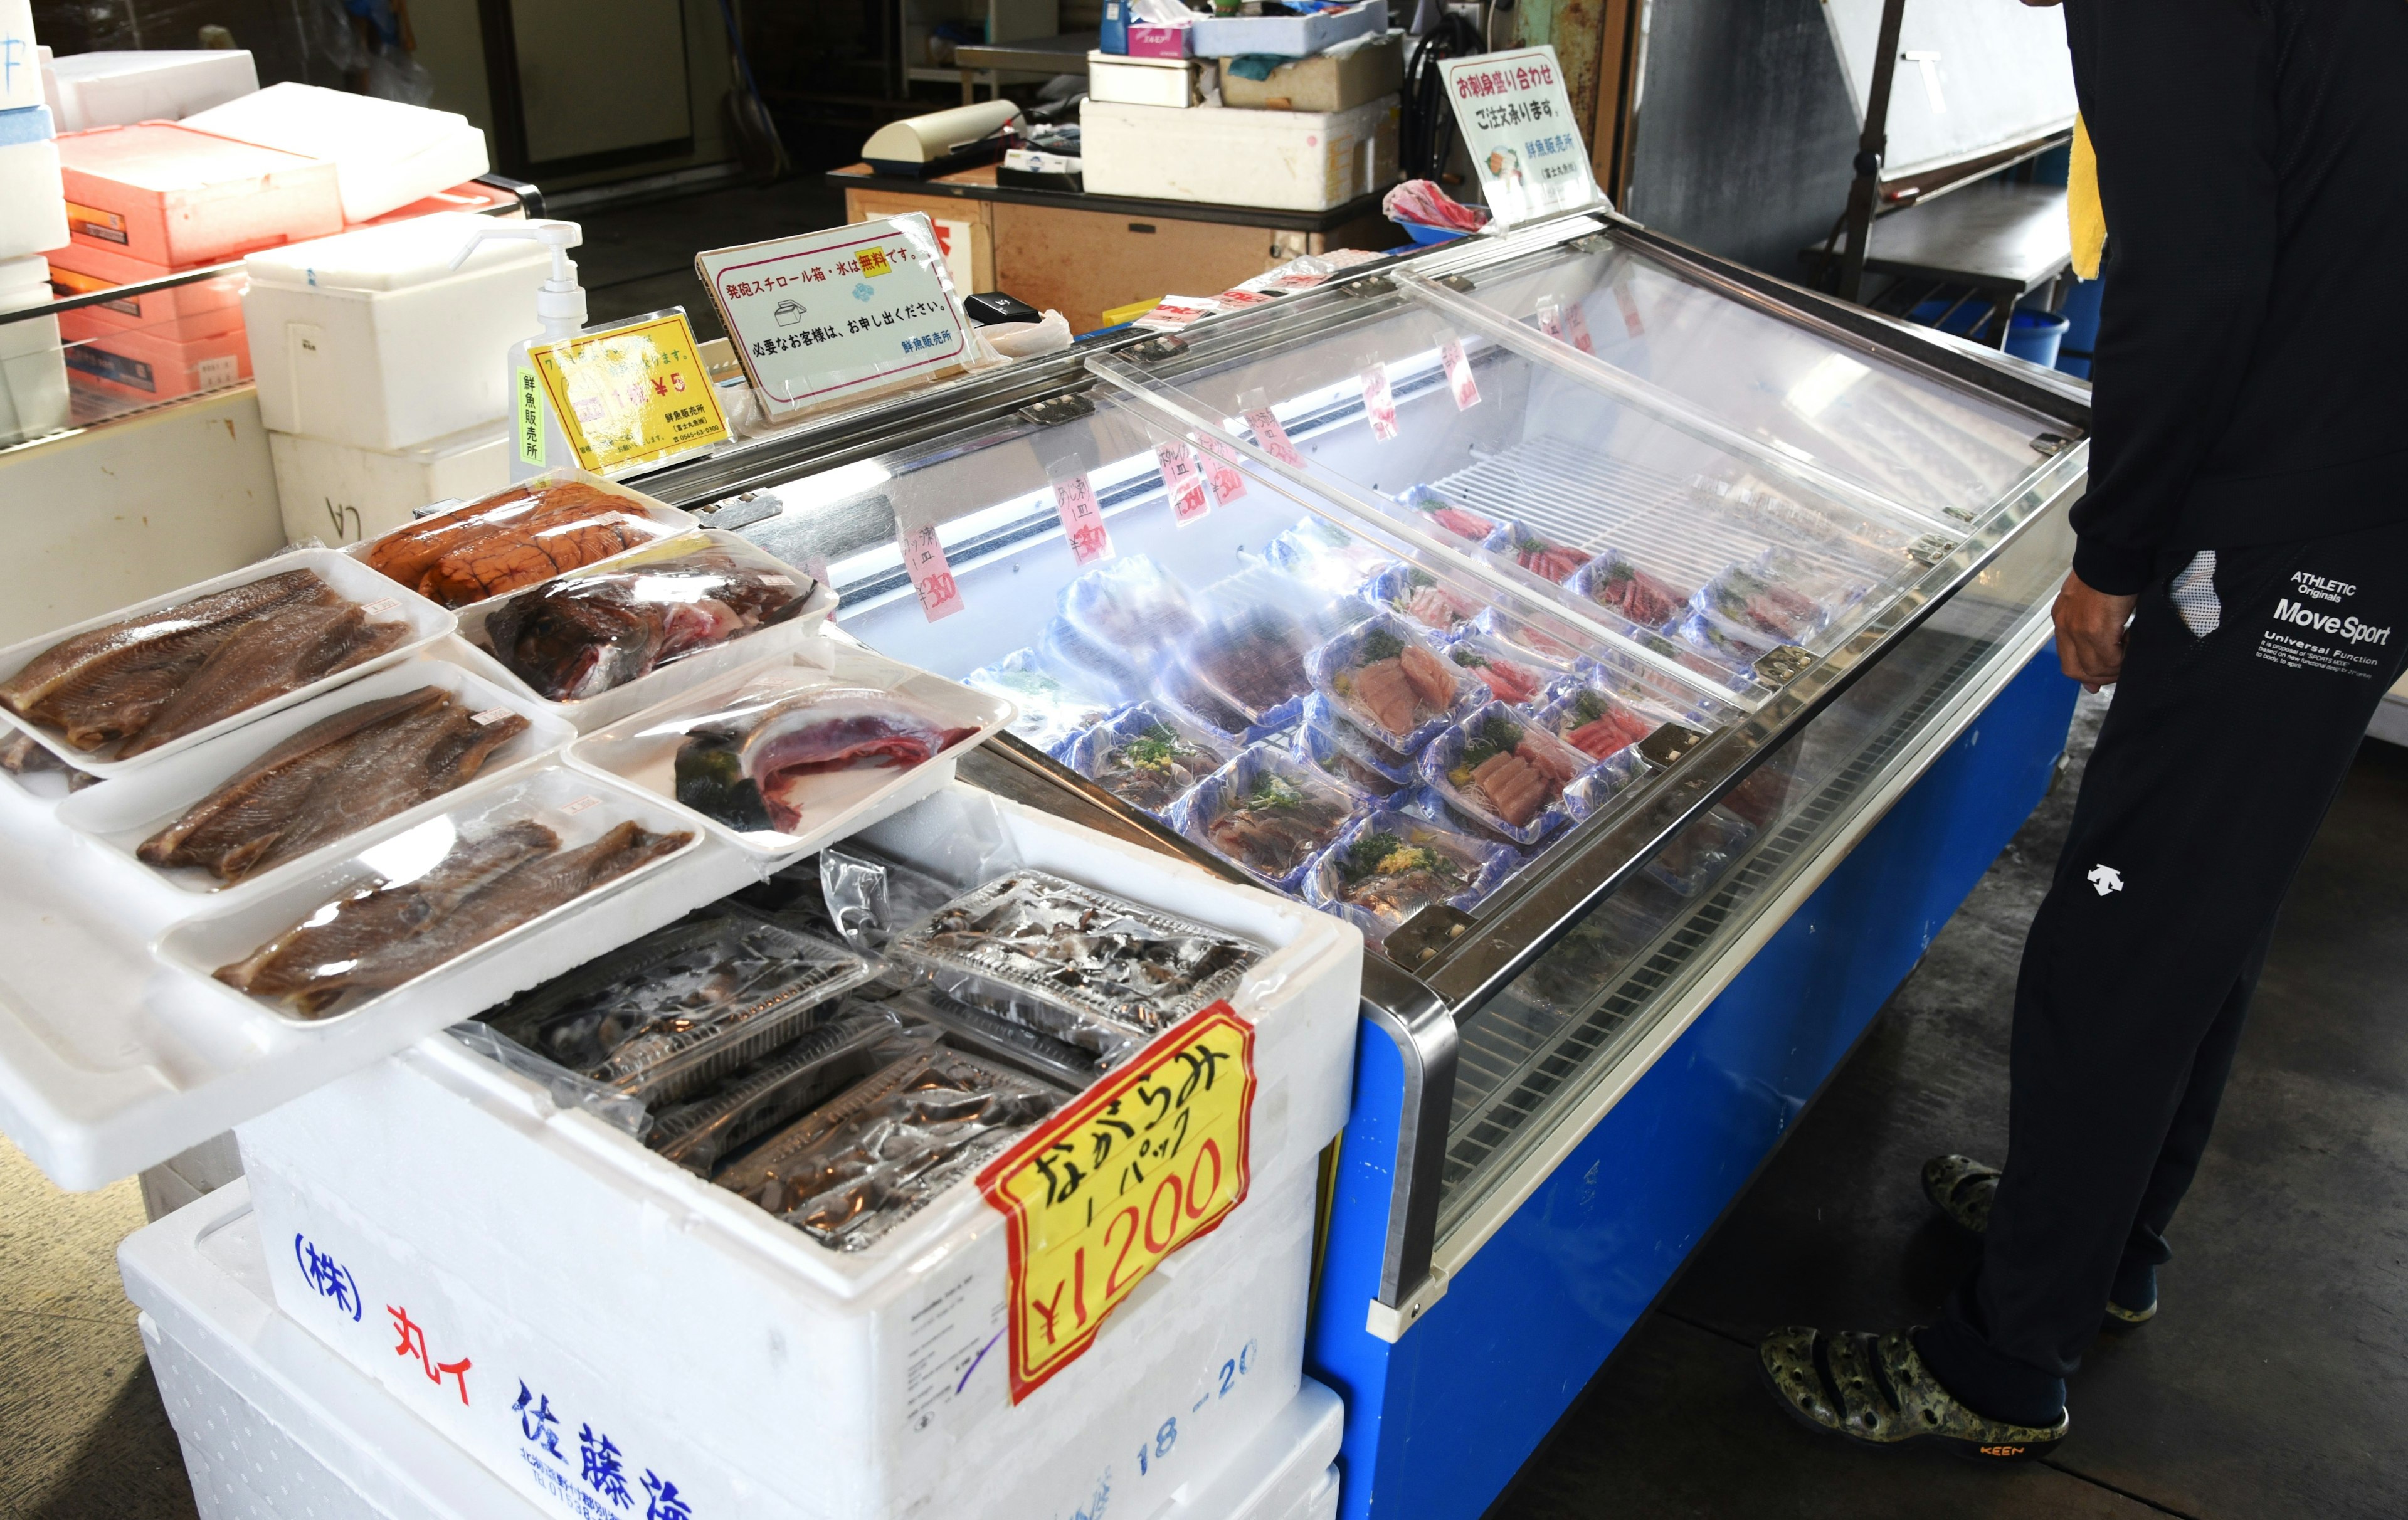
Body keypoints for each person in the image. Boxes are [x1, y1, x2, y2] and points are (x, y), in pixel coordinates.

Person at [1760, 0, 2408, 1460]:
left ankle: (2003, 1358)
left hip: (2285, 519)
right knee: (2205, 910)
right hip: (2360, 491)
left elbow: (2195, 279)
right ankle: (2100, 1240)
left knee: (2119, 940)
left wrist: (2113, 556)